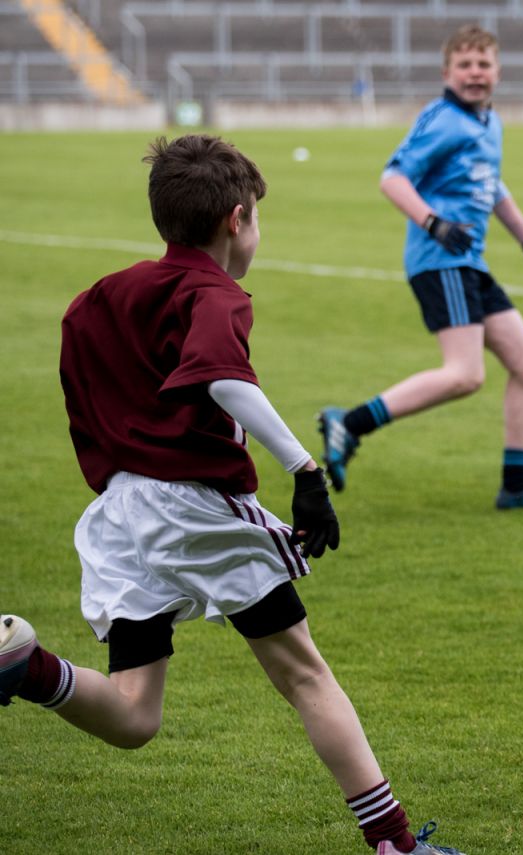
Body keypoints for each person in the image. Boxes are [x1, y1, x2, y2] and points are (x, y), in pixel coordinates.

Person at [0, 135, 464, 855]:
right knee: (303, 670)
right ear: (238, 219)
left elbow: (86, 405)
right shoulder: (213, 292)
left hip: (119, 514)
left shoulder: (94, 301)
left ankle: (25, 665)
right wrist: (307, 472)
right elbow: (222, 376)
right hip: (190, 505)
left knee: (132, 714)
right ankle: (398, 845)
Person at [318, 24, 523, 511]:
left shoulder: (488, 122)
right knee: (464, 374)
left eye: (483, 65)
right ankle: (349, 423)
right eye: (465, 65)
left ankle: (517, 485)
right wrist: (432, 223)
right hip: (440, 260)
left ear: (497, 72)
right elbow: (392, 178)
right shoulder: (442, 120)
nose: (475, 73)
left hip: (467, 261)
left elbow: (492, 186)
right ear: (447, 72)